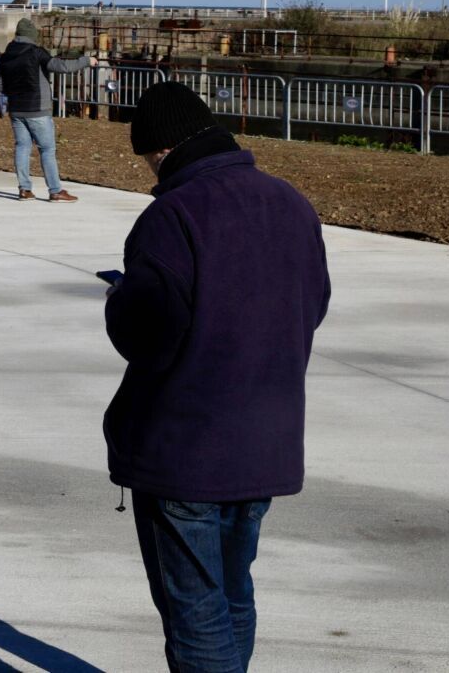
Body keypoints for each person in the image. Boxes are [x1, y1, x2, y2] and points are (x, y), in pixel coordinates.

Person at [106, 82, 330, 671]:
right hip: (266, 437)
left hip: (186, 446)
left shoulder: (171, 215)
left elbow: (148, 336)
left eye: (146, 159)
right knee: (233, 595)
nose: (147, 171)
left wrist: (119, 299)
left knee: (196, 611)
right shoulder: (291, 203)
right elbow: (316, 303)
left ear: (162, 149)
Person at [0, 17, 90, 203]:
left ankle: (24, 189)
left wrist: (10, 93)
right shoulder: (36, 52)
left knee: (22, 147)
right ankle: (55, 190)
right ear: (32, 36)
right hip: (38, 109)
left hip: (16, 109)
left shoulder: (6, 54)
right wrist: (86, 60)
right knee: (47, 149)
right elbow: (61, 66)